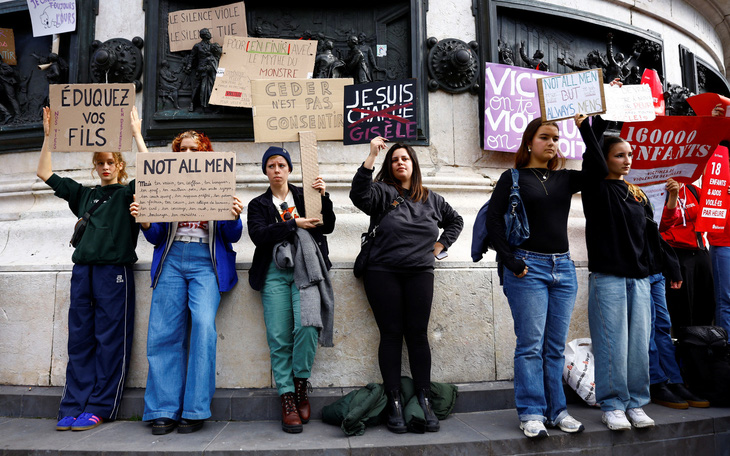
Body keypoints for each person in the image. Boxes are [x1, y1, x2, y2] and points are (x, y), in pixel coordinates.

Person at [130, 130, 243, 435]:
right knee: (163, 331)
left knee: (204, 327)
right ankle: (163, 409)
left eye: (194, 150)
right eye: (182, 151)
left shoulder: (219, 181)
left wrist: (233, 216)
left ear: (206, 153)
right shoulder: (167, 184)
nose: (188, 156)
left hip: (206, 264)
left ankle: (194, 409)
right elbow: (155, 237)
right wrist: (145, 222)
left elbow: (232, 236)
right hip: (172, 259)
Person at [37, 106, 143, 432]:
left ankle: (99, 406)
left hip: (114, 273)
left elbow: (159, 174)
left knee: (110, 339)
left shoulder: (128, 193)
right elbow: (44, 174)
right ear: (95, 166)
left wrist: (137, 133)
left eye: (111, 162)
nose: (106, 167)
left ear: (120, 165)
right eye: (101, 163)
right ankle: (73, 405)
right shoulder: (85, 194)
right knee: (80, 339)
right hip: (83, 272)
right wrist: (47, 137)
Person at [349, 137, 463, 434]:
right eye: (396, 159)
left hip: (419, 273)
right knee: (390, 334)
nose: (401, 162)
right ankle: (395, 400)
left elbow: (456, 221)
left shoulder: (432, 199)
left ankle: (424, 398)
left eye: (406, 159)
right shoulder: (382, 192)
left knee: (417, 335)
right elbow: (359, 194)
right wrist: (372, 155)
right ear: (390, 166)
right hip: (382, 272)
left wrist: (440, 245)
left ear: (414, 165)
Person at [485, 117, 584, 438]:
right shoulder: (512, 178)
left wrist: (586, 127)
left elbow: (598, 170)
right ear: (529, 142)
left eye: (556, 138)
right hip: (528, 268)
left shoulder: (565, 179)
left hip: (564, 268)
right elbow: (494, 224)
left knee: (554, 348)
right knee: (530, 345)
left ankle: (558, 411)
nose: (552, 142)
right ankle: (531, 412)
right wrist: (511, 261)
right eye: (545, 137)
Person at [576, 106, 656, 431]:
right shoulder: (596, 190)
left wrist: (667, 272)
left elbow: (651, 236)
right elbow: (592, 161)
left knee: (638, 345)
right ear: (606, 159)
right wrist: (591, 126)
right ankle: (612, 405)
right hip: (608, 276)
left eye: (630, 154)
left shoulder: (638, 194)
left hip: (639, 279)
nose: (627, 160)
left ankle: (636, 404)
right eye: (619, 155)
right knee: (611, 343)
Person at [247, 146, 336, 434]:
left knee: (308, 326)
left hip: (306, 268)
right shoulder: (259, 204)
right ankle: (287, 397)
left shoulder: (304, 195)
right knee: (278, 337)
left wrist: (325, 199)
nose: (276, 170)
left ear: (289, 169)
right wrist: (292, 223)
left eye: (281, 165)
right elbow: (260, 236)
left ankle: (300, 385)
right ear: (265, 171)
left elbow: (328, 227)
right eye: (271, 165)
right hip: (273, 272)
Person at [709, 103, 730, 341]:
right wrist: (714, 123)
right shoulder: (720, 154)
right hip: (724, 240)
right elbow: (706, 151)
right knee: (726, 300)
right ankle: (726, 351)